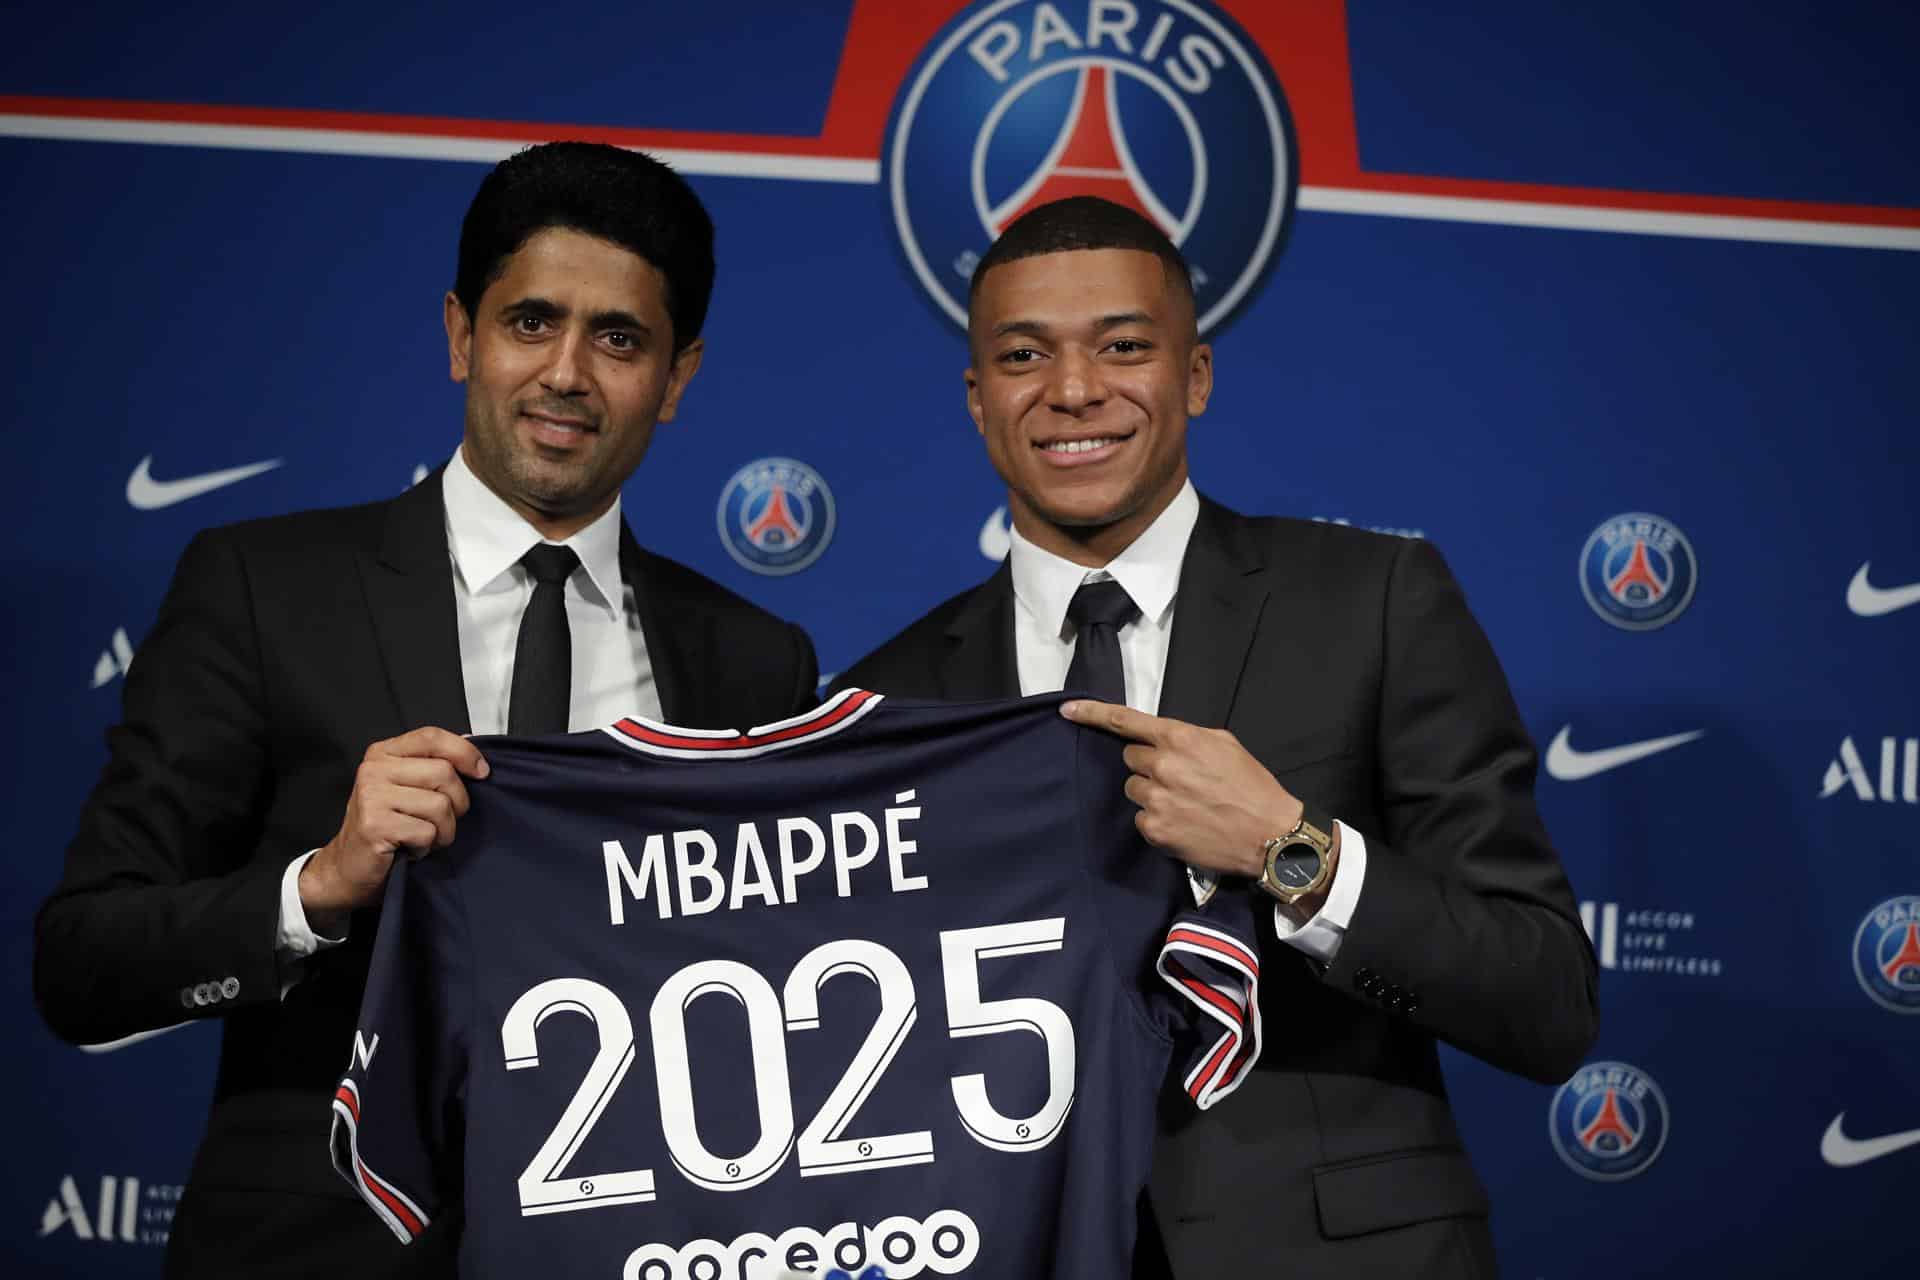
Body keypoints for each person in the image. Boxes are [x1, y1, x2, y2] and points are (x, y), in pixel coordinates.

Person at [34, 141, 818, 1279]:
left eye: (619, 338)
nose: (566, 373)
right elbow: (82, 964)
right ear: (462, 334)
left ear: (678, 376)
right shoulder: (264, 589)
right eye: (530, 321)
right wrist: (323, 885)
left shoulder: (754, 660)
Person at [833, 196, 1598, 1278]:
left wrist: (1296, 850)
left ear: (1193, 375)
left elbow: (1546, 1001)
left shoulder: (1372, 600)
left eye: (1123, 346)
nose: (1074, 389)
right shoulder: (885, 699)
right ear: (977, 397)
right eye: (1023, 354)